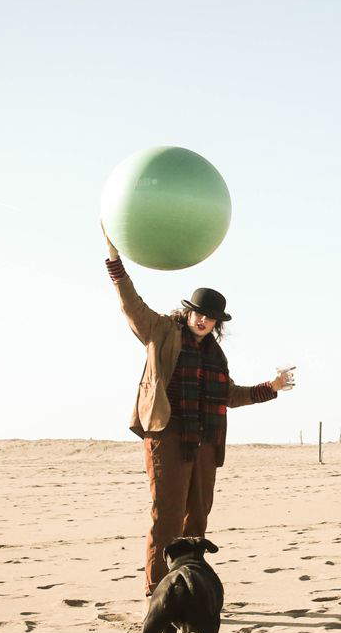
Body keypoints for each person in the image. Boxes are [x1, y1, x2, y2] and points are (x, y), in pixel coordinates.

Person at [104, 233, 295, 594]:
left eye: (211, 318)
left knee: (197, 520)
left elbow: (229, 396)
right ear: (188, 312)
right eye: (200, 314)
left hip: (206, 441)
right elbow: (132, 305)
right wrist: (115, 263)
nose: (204, 321)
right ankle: (157, 590)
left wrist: (271, 387)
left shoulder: (215, 356)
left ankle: (188, 586)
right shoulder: (162, 331)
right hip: (169, 436)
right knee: (167, 517)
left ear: (217, 323)